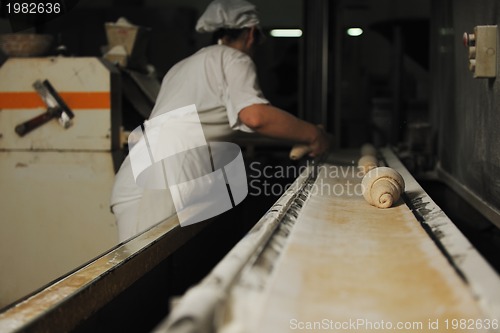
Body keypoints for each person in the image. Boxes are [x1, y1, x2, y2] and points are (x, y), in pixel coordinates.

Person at [110, 0, 331, 242]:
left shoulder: (183, 65)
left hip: (135, 174)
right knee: (148, 267)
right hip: (167, 177)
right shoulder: (235, 59)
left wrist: (293, 133)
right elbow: (255, 116)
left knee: (131, 267)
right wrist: (312, 134)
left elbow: (217, 122)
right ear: (252, 33)